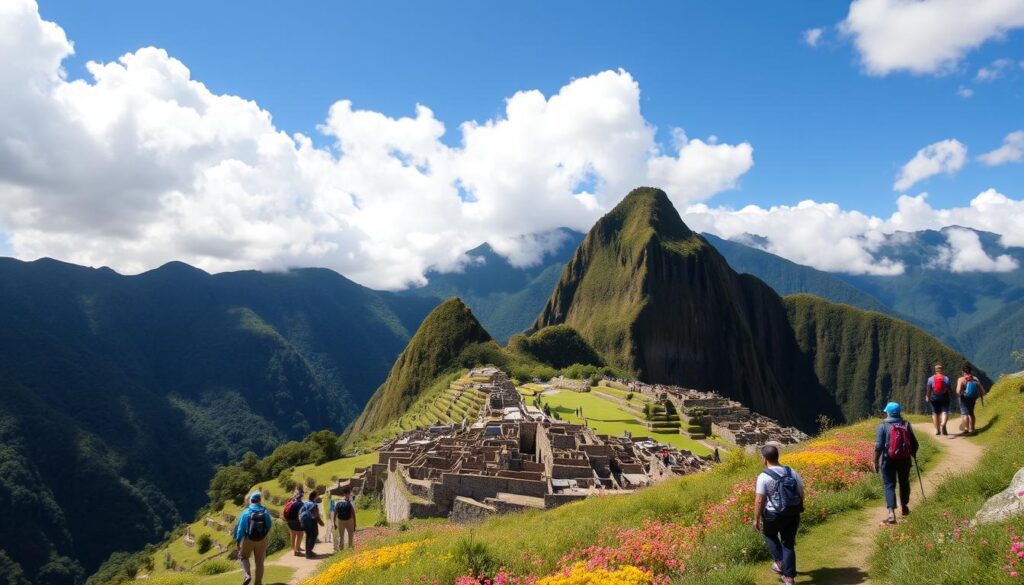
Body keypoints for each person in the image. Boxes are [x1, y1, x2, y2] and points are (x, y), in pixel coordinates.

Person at [754, 444, 804, 585]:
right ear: (778, 456)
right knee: (788, 544)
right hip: (793, 513)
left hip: (773, 514)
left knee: (769, 534)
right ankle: (789, 578)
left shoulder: (763, 476)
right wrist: (797, 508)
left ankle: (780, 563)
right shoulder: (791, 471)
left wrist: (756, 519)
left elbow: (759, 500)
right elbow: (801, 492)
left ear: (764, 459)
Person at [874, 402, 920, 525]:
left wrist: (875, 462)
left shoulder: (882, 426)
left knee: (889, 485)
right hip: (904, 460)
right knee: (904, 482)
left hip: (888, 460)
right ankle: (904, 506)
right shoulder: (906, 424)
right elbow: (915, 444)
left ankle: (891, 513)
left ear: (888, 413)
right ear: (899, 412)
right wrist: (913, 454)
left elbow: (878, 446)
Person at [235, 491, 272, 585]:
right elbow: (269, 525)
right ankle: (258, 583)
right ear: (260, 500)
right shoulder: (265, 511)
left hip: (248, 539)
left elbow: (240, 529)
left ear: (251, 500)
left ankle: (247, 575)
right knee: (259, 562)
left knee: (244, 557)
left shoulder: (246, 512)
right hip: (261, 540)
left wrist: (238, 542)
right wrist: (263, 535)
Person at [956, 364, 986, 436]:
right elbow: (983, 390)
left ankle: (966, 429)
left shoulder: (961, 379)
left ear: (963, 371)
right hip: (972, 398)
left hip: (964, 398)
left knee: (965, 413)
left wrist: (960, 393)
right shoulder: (975, 378)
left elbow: (958, 391)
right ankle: (972, 428)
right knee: (971, 413)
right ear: (970, 371)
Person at [925, 363, 952, 436]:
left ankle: (937, 430)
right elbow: (949, 389)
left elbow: (929, 389)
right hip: (944, 397)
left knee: (935, 413)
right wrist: (950, 396)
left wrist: (927, 396)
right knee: (945, 411)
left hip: (934, 398)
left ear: (935, 370)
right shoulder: (946, 378)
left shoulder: (930, 379)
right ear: (941, 370)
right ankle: (943, 423)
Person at [299, 490, 324, 559]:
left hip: (304, 522)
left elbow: (300, 512)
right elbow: (316, 515)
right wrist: (320, 522)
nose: (318, 496)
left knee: (308, 536)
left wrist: (301, 522)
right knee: (314, 535)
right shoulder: (313, 504)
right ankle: (309, 552)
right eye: (317, 495)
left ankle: (308, 552)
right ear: (315, 497)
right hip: (311, 521)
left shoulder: (306, 503)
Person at [332, 485, 357, 552]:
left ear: (343, 494)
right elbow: (353, 513)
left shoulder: (338, 502)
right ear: (349, 493)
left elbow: (335, 513)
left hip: (340, 520)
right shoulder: (350, 502)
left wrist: (334, 523)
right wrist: (355, 523)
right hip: (349, 520)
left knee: (341, 536)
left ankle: (341, 549)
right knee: (350, 535)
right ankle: (350, 549)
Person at [282, 487, 305, 556]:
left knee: (293, 533)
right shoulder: (301, 504)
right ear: (301, 497)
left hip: (289, 521)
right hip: (296, 521)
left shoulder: (291, 503)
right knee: (300, 534)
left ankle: (294, 548)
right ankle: (297, 550)